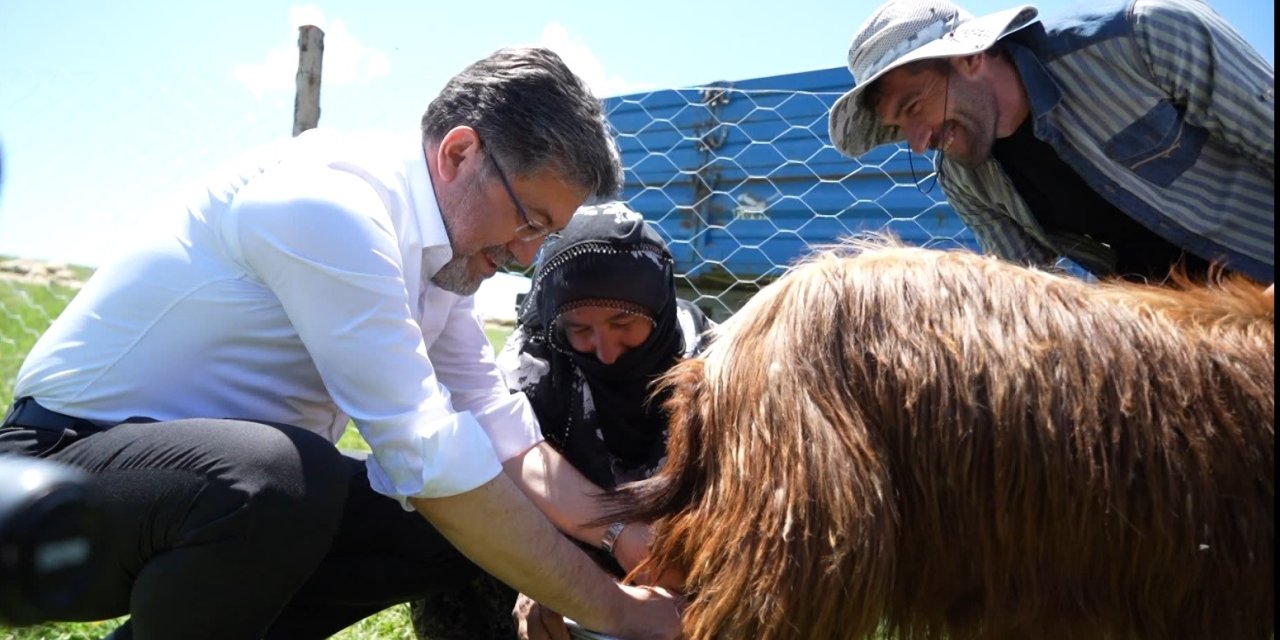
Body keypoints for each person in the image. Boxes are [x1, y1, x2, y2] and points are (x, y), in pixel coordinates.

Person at [0, 47, 679, 640]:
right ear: (460, 153)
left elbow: (498, 431)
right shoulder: (331, 206)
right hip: (54, 484)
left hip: (194, 497)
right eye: (528, 220)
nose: (526, 256)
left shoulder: (443, 260)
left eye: (544, 235)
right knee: (282, 478)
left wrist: (624, 533)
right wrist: (619, 613)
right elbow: (427, 456)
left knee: (449, 526)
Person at [411, 202, 715, 640]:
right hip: (560, 544)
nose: (605, 351)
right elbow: (499, 483)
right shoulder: (533, 366)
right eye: (580, 329)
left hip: (682, 559)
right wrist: (553, 577)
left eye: (623, 322)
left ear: (658, 305)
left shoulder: (714, 367)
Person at [827, 0, 1274, 284]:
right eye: (899, 127)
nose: (919, 142)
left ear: (969, 57)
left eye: (913, 106)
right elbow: (1034, 294)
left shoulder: (1145, 40)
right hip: (1176, 337)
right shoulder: (964, 180)